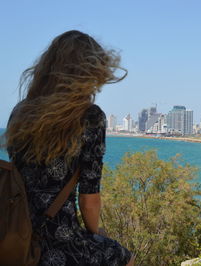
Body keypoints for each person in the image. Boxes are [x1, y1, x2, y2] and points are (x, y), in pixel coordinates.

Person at [5, 30, 134, 266]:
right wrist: (96, 233)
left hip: (14, 230)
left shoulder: (20, 112)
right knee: (124, 258)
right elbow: (89, 199)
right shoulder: (90, 117)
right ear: (89, 73)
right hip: (58, 240)